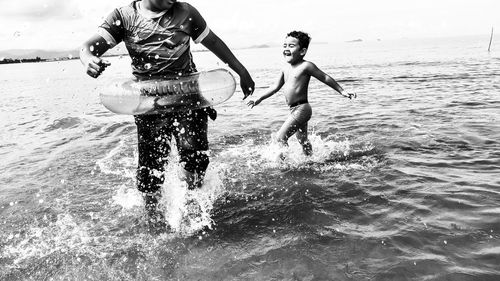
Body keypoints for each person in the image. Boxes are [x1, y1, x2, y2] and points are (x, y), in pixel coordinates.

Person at [80, 0, 255, 225]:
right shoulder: (123, 17)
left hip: (189, 99)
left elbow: (213, 41)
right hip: (150, 105)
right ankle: (153, 220)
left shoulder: (186, 12)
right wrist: (88, 60)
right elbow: (88, 47)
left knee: (195, 160)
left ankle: (194, 212)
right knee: (151, 171)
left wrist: (241, 70)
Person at [247, 31, 355, 156]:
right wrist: (259, 99)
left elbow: (324, 77)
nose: (286, 49)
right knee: (302, 139)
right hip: (293, 109)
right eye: (285, 45)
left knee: (280, 137)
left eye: (291, 46)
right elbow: (275, 87)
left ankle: (284, 165)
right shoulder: (285, 68)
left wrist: (342, 91)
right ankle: (310, 159)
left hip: (302, 109)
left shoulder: (306, 66)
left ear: (302, 51)